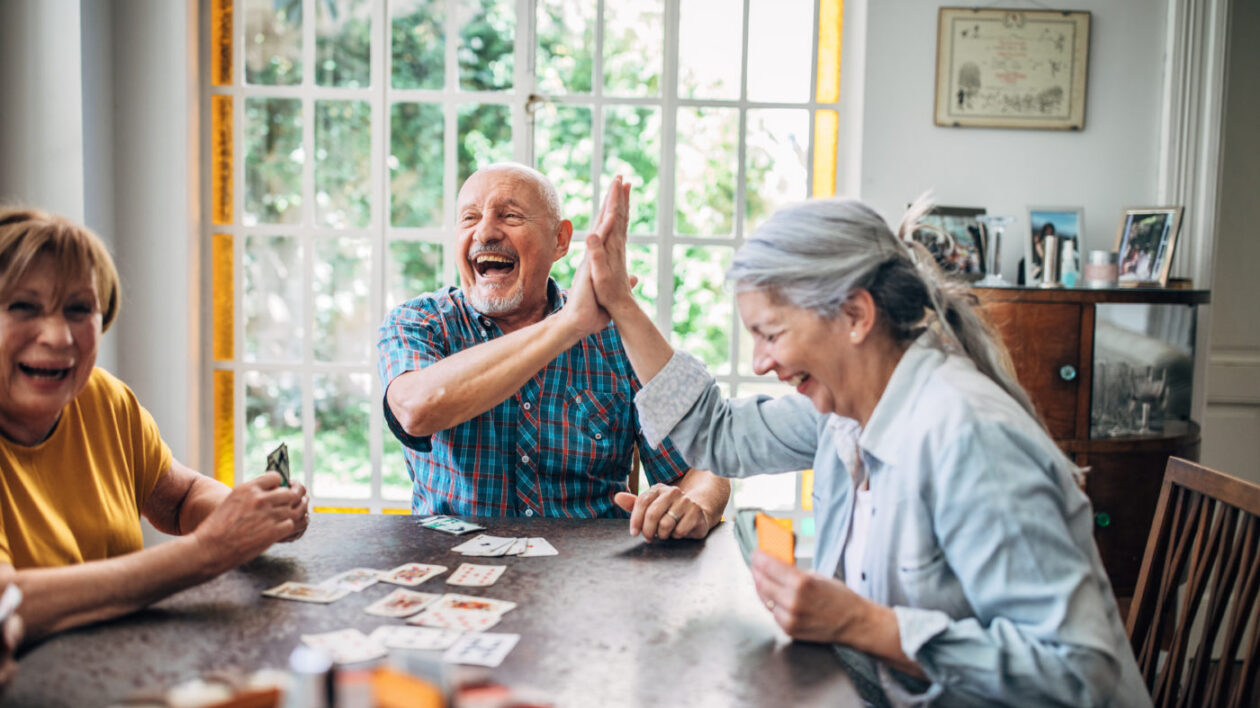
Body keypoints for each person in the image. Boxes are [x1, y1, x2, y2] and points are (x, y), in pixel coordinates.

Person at [578, 192, 1151, 705]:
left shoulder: (968, 436)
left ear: (855, 315)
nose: (759, 363)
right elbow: (717, 433)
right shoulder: (844, 412)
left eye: (771, 334)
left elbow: (1078, 673)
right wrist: (621, 308)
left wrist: (861, 624)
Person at [0, 208, 310, 645]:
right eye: (23, 307)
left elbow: (181, 499)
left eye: (78, 309)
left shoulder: (103, 398)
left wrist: (246, 519)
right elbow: (9, 605)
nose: (59, 337)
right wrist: (210, 551)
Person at [377, 163, 728, 540]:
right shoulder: (419, 322)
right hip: (450, 570)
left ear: (560, 241)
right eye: (469, 218)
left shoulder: (620, 339)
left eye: (510, 216)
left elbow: (703, 464)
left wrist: (696, 505)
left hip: (588, 577)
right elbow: (416, 410)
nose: (485, 231)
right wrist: (568, 325)